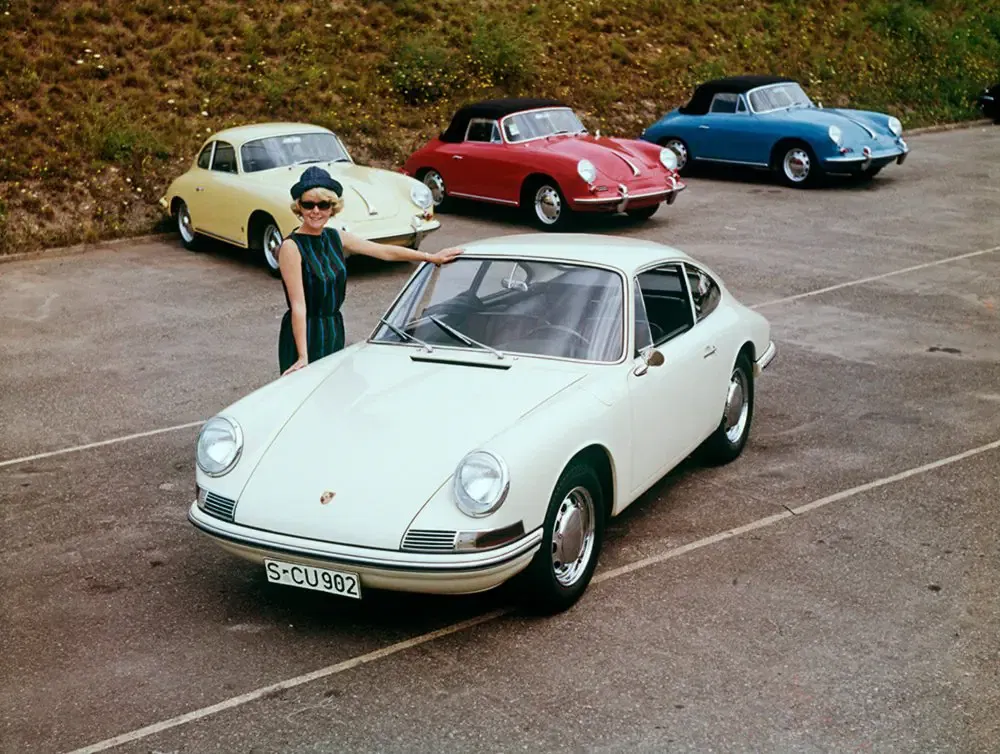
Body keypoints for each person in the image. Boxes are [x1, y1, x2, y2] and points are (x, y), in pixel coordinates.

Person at [277, 166, 463, 375]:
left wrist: (431, 257)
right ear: (299, 207)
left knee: (330, 392)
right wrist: (303, 356)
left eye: (323, 204)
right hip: (305, 333)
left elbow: (383, 251)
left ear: (333, 207)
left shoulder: (335, 237)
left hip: (333, 328)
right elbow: (298, 306)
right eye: (309, 204)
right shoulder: (291, 247)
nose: (316, 211)